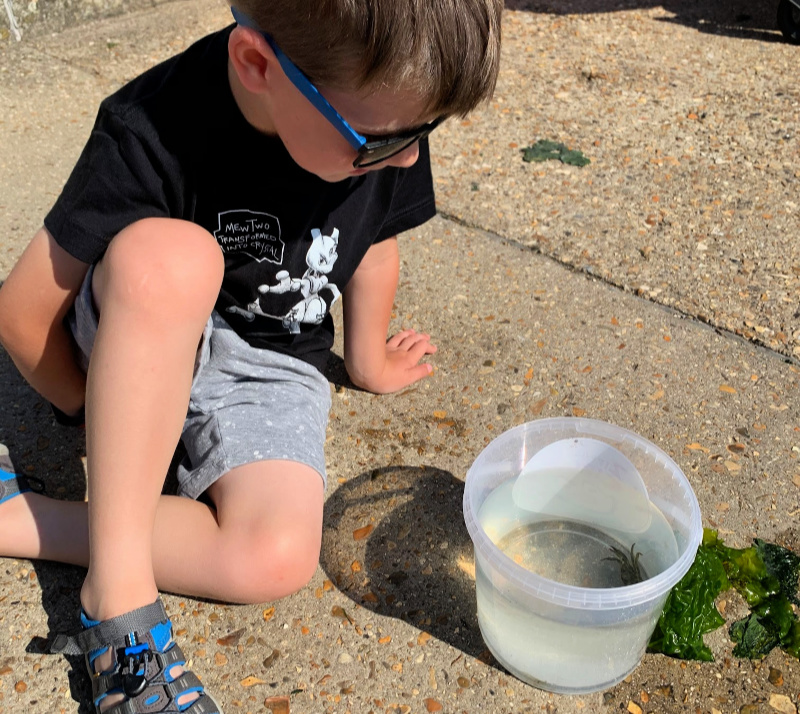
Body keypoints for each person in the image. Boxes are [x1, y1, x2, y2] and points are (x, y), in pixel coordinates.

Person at [0, 0, 502, 711]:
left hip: (271, 356)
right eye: (383, 144)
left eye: (429, 131)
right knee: (177, 259)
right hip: (144, 323)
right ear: (259, 65)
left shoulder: (386, 112)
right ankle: (115, 597)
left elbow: (375, 237)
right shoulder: (155, 126)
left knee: (275, 556)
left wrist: (366, 357)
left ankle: (21, 517)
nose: (412, 156)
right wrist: (94, 402)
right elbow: (22, 314)